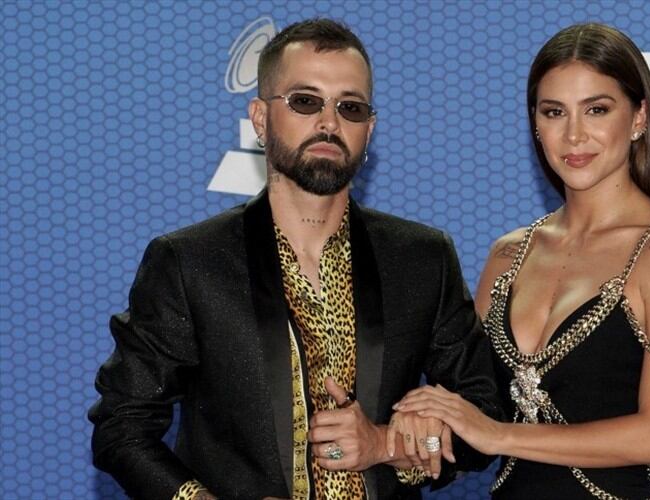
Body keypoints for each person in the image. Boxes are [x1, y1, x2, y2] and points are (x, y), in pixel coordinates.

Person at [89, 18, 501, 500]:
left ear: (369, 129)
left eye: (350, 107)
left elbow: (486, 420)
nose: (329, 122)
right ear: (261, 118)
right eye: (305, 102)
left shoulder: (421, 259)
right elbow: (121, 427)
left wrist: (386, 444)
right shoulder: (190, 262)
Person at [392, 23, 650, 499]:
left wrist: (497, 434)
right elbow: (471, 405)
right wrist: (406, 427)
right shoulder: (508, 253)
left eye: (597, 110)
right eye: (554, 112)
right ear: (535, 124)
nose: (575, 134)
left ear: (639, 117)